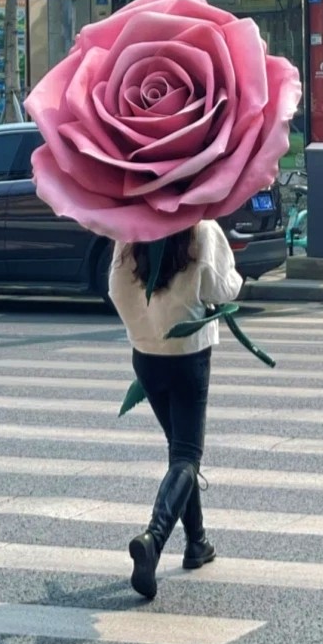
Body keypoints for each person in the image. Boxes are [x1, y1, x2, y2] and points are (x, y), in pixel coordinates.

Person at [109, 220, 243, 600]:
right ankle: (154, 536)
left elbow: (116, 291)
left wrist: (143, 327)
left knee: (178, 449)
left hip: (146, 357)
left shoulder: (129, 231)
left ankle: (196, 542)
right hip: (188, 355)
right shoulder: (201, 229)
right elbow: (225, 287)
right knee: (187, 454)